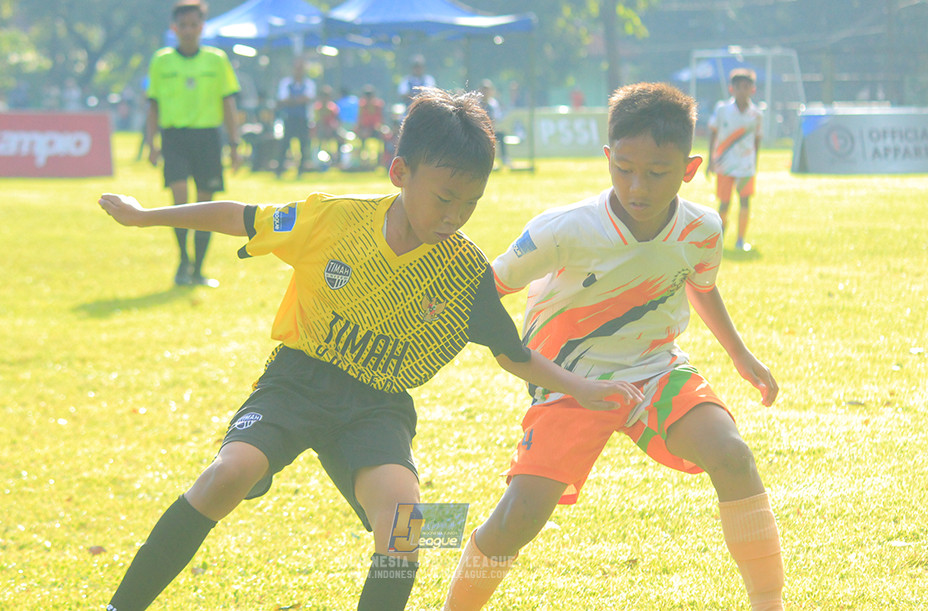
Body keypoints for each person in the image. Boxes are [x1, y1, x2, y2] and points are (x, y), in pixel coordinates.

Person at [97, 87, 643, 611]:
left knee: (408, 526)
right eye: (445, 198)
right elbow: (240, 216)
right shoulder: (334, 218)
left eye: (470, 203)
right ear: (400, 172)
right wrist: (144, 216)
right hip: (298, 380)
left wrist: (583, 388)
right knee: (229, 474)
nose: (454, 216)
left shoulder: (462, 271)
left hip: (377, 405)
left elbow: (512, 353)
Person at [444, 82, 784, 611]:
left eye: (657, 173)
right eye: (623, 169)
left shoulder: (702, 228)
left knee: (733, 456)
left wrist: (740, 354)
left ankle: (769, 602)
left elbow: (701, 284)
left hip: (656, 372)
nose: (637, 187)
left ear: (690, 169)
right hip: (570, 384)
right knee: (519, 517)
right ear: (607, 157)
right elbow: (486, 288)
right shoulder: (563, 229)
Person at [145, 0, 241, 288]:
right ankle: (182, 261)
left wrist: (234, 144)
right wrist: (151, 143)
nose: (188, 30)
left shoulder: (216, 60)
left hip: (207, 138)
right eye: (183, 25)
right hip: (174, 138)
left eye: (193, 24)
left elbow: (228, 104)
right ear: (174, 28)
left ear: (202, 27)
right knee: (179, 200)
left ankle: (198, 269)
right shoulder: (162, 61)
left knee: (205, 207)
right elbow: (153, 105)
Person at [707, 68, 763, 252]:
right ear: (732, 89)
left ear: (752, 89)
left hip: (746, 165)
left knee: (745, 201)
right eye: (739, 87)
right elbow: (713, 133)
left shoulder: (756, 114)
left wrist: (755, 163)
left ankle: (740, 240)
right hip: (724, 164)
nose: (742, 91)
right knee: (724, 203)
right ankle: (720, 237)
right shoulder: (722, 109)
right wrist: (710, 160)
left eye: (746, 87)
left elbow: (757, 140)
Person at [274, 57, 316, 179]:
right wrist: (299, 100)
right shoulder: (286, 83)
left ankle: (301, 170)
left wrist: (292, 101)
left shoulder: (309, 83)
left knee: (303, 145)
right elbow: (283, 100)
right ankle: (279, 170)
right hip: (289, 118)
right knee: (285, 144)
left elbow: (308, 98)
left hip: (303, 119)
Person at [479, 80, 508, 168]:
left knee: (501, 135)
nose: (485, 92)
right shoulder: (477, 103)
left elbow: (497, 117)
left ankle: (504, 159)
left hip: (492, 130)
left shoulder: (493, 104)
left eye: (487, 90)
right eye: (484, 90)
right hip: (479, 130)